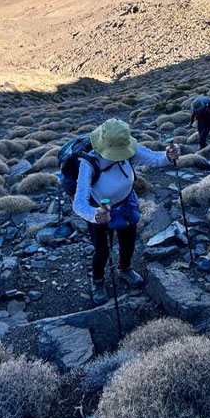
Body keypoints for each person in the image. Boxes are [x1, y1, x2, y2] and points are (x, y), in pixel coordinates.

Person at [72, 119, 179, 305]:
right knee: (102, 250)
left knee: (128, 240)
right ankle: (97, 281)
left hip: (127, 202)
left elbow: (154, 158)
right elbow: (78, 202)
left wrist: (168, 155)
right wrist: (94, 214)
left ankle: (125, 268)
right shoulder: (88, 163)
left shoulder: (128, 148)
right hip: (100, 210)